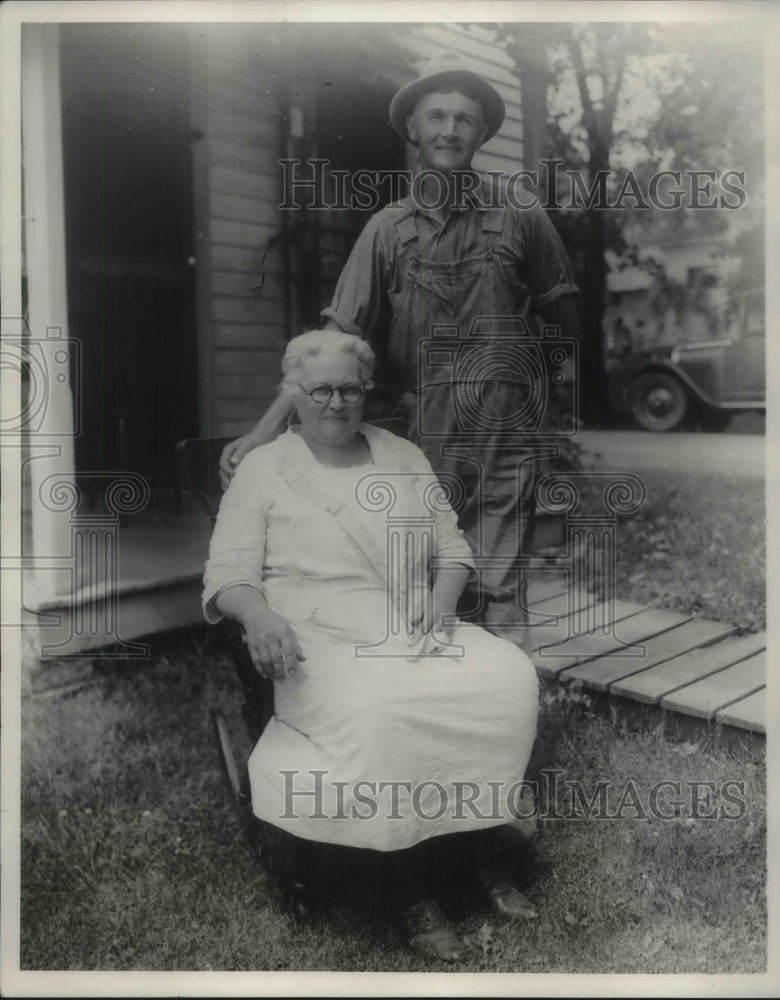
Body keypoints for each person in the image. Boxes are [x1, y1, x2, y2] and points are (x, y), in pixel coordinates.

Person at [220, 49, 581, 647]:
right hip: (420, 438)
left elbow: (563, 312)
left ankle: (508, 715)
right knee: (424, 575)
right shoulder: (387, 230)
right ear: (413, 129)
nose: (449, 129)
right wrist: (264, 432)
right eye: (436, 116)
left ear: (483, 132)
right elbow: (332, 342)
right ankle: (429, 705)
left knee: (499, 584)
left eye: (464, 119)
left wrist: (537, 388)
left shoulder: (520, 214)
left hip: (503, 431)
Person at [203, 330, 540, 962]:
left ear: (366, 392)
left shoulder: (401, 454)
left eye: (350, 389)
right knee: (382, 711)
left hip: (412, 620)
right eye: (321, 389)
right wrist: (259, 617)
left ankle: (478, 852)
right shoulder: (265, 468)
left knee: (509, 677)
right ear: (294, 395)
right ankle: (409, 887)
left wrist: (441, 610)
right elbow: (227, 573)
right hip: (316, 635)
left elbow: (453, 549)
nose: (336, 402)